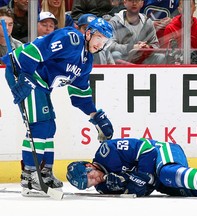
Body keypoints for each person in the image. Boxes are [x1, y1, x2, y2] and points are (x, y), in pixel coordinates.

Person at [0, 17, 114, 196]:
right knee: (39, 125)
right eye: (98, 37)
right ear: (89, 33)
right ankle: (29, 175)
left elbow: (80, 96)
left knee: (49, 126)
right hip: (22, 71)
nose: (100, 44)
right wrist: (25, 74)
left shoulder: (86, 61)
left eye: (105, 41)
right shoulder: (71, 38)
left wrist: (95, 116)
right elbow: (35, 50)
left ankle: (44, 172)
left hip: (40, 83)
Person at [66, 138, 197, 198]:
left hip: (163, 151)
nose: (95, 182)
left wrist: (144, 178)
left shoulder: (108, 150)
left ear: (89, 165)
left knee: (167, 174)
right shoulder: (104, 188)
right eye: (89, 184)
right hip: (158, 181)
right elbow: (137, 192)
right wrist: (126, 186)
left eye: (91, 176)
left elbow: (147, 148)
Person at [109, 0, 166, 64]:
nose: (134, 3)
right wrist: (131, 47)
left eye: (137, 1)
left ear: (142, 3)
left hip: (142, 58)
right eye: (131, 1)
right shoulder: (114, 22)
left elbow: (155, 44)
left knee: (160, 57)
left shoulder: (147, 22)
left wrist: (148, 48)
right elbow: (110, 45)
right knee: (115, 55)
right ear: (125, 2)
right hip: (124, 58)